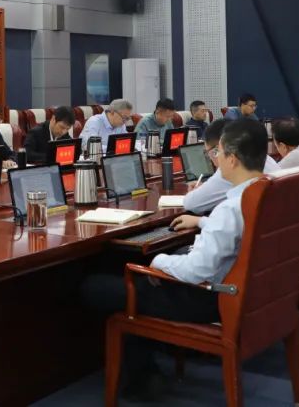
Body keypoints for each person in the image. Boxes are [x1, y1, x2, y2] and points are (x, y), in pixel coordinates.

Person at [80, 120, 268, 400]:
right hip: (248, 293)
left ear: (232, 159)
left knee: (97, 286)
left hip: (207, 299)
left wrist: (159, 261)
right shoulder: (265, 194)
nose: (215, 159)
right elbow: (240, 234)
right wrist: (203, 223)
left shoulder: (229, 209)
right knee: (138, 278)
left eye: (217, 153)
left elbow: (197, 271)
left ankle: (144, 376)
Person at [182, 118, 279, 215]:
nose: (212, 158)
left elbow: (191, 203)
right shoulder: (265, 159)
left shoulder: (231, 171)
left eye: (209, 153)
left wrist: (197, 193)